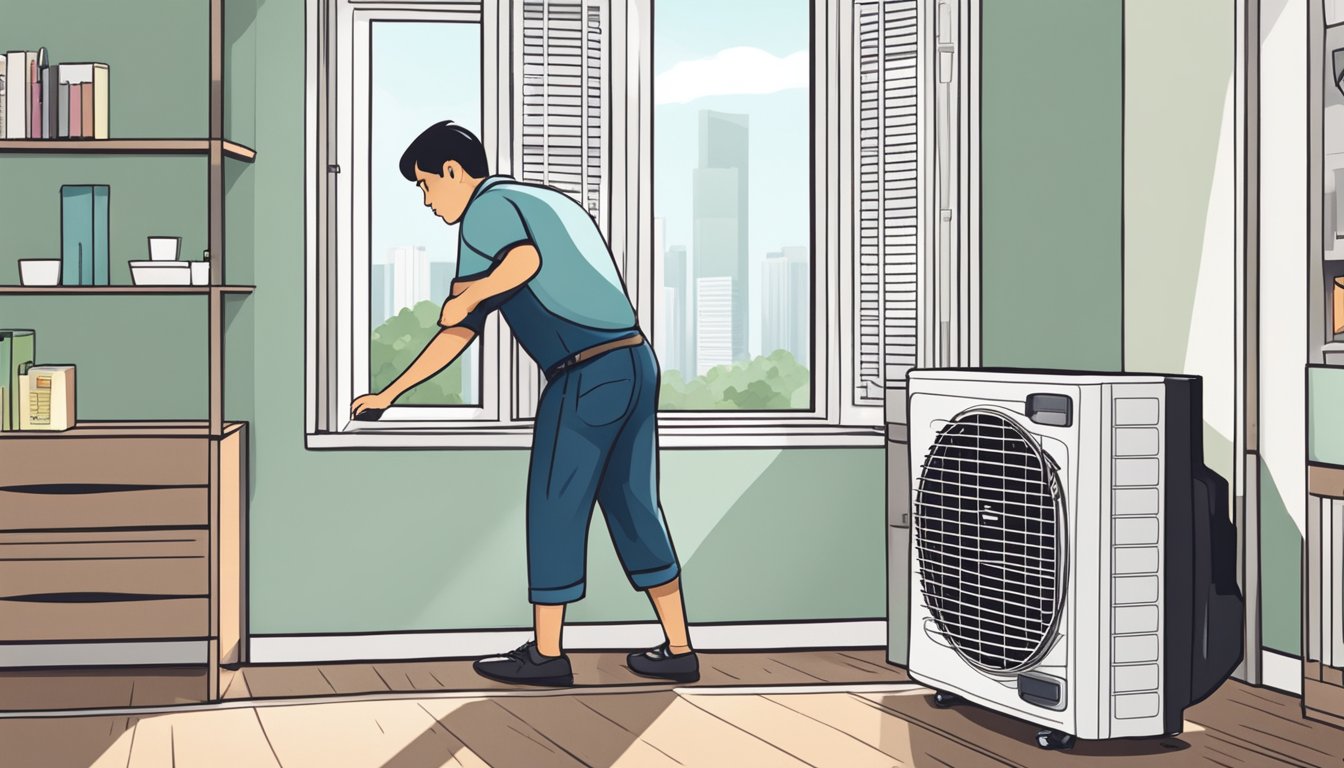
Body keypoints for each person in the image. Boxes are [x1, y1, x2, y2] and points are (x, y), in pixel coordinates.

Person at [351, 121, 698, 686]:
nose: (425, 200)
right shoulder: (539, 199)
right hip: (635, 362)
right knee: (635, 504)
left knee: (554, 503)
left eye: (425, 185)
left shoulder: (486, 210)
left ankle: (547, 655)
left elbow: (523, 265)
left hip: (585, 374)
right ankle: (680, 647)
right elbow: (459, 330)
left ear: (454, 173)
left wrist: (475, 293)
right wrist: (389, 394)